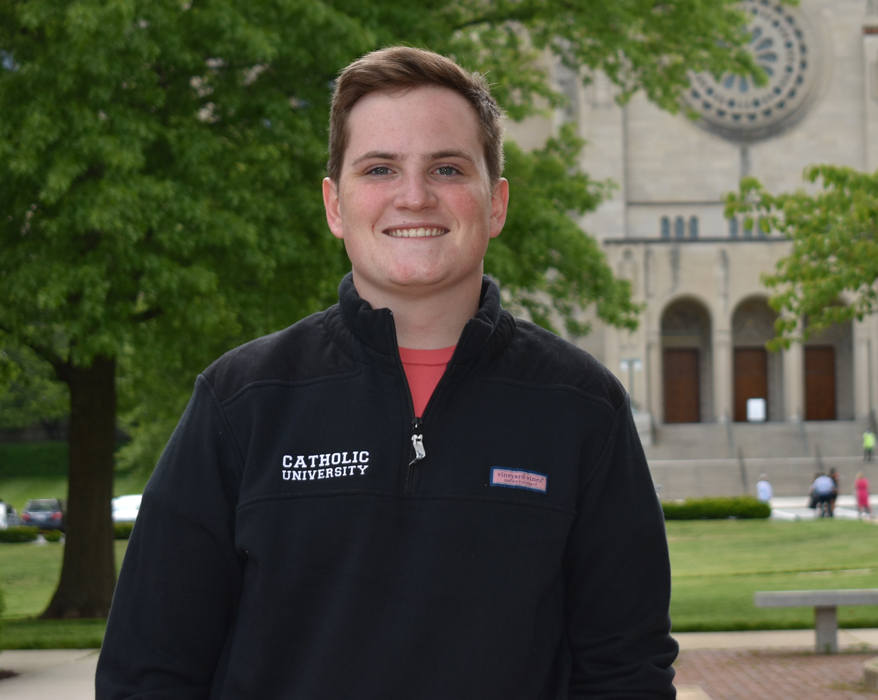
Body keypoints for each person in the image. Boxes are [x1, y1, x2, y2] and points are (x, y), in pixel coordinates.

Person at [96, 47, 677, 699]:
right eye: (379, 168)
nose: (414, 196)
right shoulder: (243, 402)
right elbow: (148, 668)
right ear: (335, 206)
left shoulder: (581, 407)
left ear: (496, 204)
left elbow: (626, 668)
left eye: (448, 167)